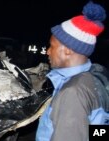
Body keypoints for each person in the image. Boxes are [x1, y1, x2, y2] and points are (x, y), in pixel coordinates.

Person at [36, 2, 109, 141]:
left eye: (52, 46)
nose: (48, 51)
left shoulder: (72, 92)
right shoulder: (94, 77)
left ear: (68, 50)